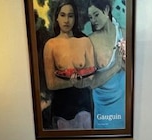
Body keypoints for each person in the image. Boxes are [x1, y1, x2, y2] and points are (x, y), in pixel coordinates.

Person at [42, 1, 96, 130]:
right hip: (61, 108)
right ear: (57, 17)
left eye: (70, 16)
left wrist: (81, 81)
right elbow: (51, 83)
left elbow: (91, 76)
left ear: (75, 18)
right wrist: (72, 82)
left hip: (84, 106)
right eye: (63, 15)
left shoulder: (85, 41)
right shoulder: (51, 45)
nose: (66, 20)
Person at [85, 0, 126, 129]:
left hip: (123, 101)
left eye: (96, 15)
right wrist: (116, 67)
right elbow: (91, 83)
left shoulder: (123, 34)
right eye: (90, 17)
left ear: (106, 10)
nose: (93, 20)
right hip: (102, 106)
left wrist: (124, 65)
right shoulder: (90, 41)